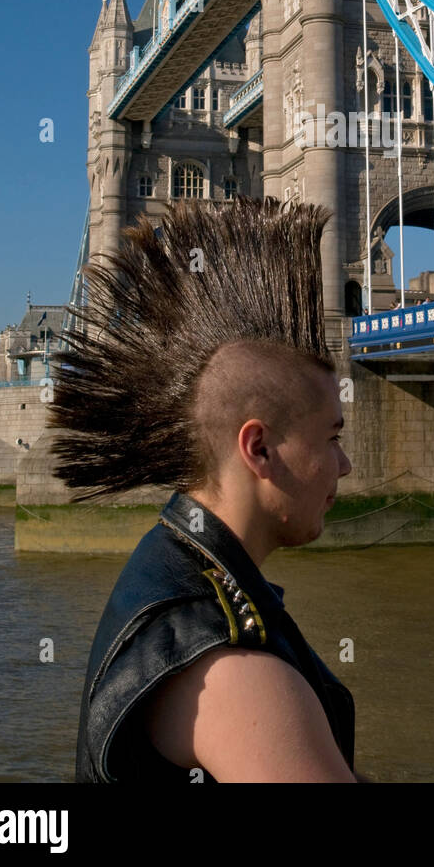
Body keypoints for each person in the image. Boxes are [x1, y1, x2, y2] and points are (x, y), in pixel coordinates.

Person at [50, 197, 358, 783]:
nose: (344, 465)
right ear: (259, 448)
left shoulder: (170, 565)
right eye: (333, 438)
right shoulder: (234, 675)